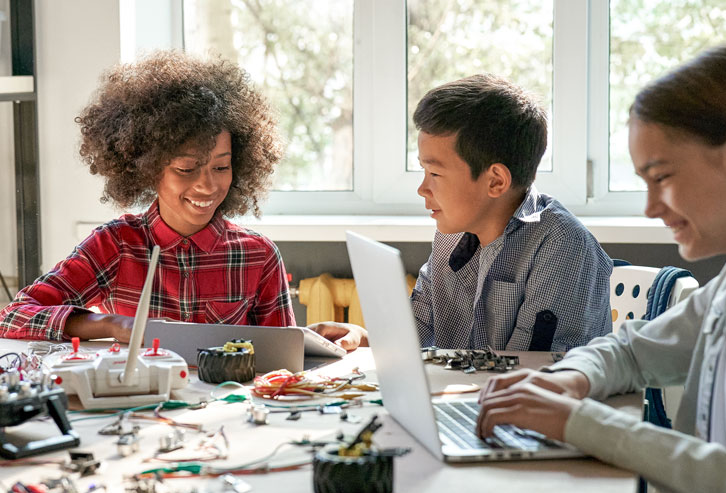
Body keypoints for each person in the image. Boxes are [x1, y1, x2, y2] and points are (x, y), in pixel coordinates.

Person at [478, 43, 726, 493]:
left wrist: (579, 422)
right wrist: (567, 381)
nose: (651, 207)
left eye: (663, 177)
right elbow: (630, 350)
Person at [0, 51, 295, 343]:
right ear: (148, 169)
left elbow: (286, 359)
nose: (207, 185)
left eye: (221, 167)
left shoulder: (259, 256)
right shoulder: (116, 246)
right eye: (187, 168)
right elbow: (13, 316)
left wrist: (316, 340)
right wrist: (113, 324)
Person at [315, 74, 612, 352]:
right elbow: (412, 338)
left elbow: (532, 376)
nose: (422, 188)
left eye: (434, 173)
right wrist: (362, 339)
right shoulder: (451, 235)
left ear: (495, 181)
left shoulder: (563, 247)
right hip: (471, 398)